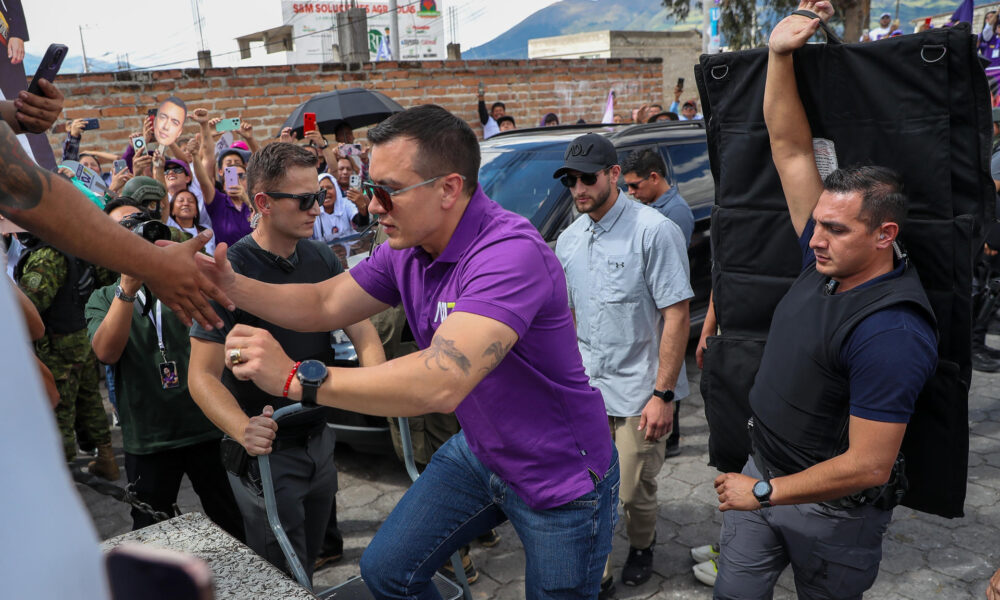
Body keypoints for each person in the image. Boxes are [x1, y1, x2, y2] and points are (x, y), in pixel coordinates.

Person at [196, 104, 619, 598]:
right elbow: (326, 300)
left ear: (448, 189)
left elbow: (441, 380)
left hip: (559, 476)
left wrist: (296, 379)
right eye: (372, 189)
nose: (373, 206)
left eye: (387, 191)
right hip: (484, 451)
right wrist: (229, 285)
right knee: (388, 571)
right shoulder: (408, 248)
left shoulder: (509, 253)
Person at [711, 4, 938, 598]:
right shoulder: (824, 257)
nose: (814, 238)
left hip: (830, 514)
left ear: (885, 235)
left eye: (835, 229)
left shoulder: (892, 331)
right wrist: (780, 55)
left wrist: (763, 492)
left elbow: (869, 465)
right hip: (763, 477)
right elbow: (789, 147)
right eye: (817, 224)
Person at [0, 74, 229, 600]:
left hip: (192, 426)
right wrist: (144, 271)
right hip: (136, 425)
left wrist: (14, 115)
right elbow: (26, 189)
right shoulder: (110, 291)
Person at [188, 142, 384, 582]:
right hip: (268, 454)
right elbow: (200, 376)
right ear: (263, 203)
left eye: (319, 195)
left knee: (310, 560)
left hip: (319, 439)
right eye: (305, 199)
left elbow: (364, 330)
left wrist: (378, 388)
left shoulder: (319, 256)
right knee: (281, 573)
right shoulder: (230, 269)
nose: (318, 208)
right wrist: (242, 429)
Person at [554, 133, 691, 596]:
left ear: (613, 174)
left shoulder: (654, 231)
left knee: (632, 491)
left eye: (587, 178)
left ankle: (643, 544)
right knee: (588, 493)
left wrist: (663, 395)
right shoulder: (569, 240)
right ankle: (600, 572)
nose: (578, 189)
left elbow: (676, 313)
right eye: (570, 180)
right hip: (586, 392)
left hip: (640, 391)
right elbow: (567, 317)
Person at [85, 212, 243, 538]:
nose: (133, 236)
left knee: (233, 522)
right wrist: (128, 288)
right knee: (151, 532)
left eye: (139, 225)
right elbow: (106, 353)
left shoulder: (182, 286)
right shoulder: (102, 298)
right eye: (122, 230)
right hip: (149, 438)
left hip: (207, 427)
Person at [14, 231, 117, 479]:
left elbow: (29, 307)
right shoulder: (70, 243)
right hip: (81, 337)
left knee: (59, 409)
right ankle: (107, 459)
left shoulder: (46, 257)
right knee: (90, 400)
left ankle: (64, 473)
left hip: (59, 343)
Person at [621, 147, 695, 460]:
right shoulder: (650, 207)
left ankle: (672, 436)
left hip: (664, 305)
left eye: (635, 185)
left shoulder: (673, 213)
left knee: (668, 369)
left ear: (655, 177)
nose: (630, 193)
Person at [190, 108, 253, 248]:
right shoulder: (218, 201)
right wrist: (204, 126)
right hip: (228, 264)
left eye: (241, 176)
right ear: (223, 180)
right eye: (231, 174)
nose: (236, 179)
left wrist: (247, 199)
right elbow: (205, 175)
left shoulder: (255, 202)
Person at [168, 189, 215, 255]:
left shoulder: (207, 230)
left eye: (191, 201)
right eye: (181, 201)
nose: (186, 203)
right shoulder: (168, 229)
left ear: (196, 211)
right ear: (172, 210)